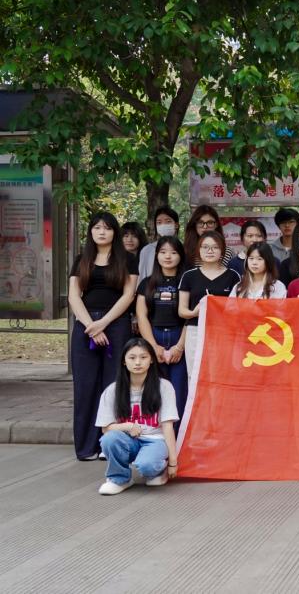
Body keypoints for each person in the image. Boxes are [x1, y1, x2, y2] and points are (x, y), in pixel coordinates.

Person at [69, 212, 139, 460]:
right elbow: (74, 296)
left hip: (116, 325)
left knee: (114, 385)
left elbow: (128, 295)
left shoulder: (127, 259)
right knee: (85, 386)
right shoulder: (82, 259)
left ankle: (109, 443)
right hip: (85, 326)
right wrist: (91, 326)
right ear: (90, 232)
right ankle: (86, 447)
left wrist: (104, 323)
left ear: (114, 232)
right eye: (97, 227)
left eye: (107, 228)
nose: (101, 232)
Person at [95, 338, 179, 495]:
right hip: (129, 440)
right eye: (132, 358)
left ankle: (158, 471)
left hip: (155, 441)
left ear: (152, 360)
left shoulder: (164, 387)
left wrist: (173, 463)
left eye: (143, 357)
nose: (138, 362)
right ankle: (119, 479)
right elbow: (105, 429)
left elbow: (168, 426)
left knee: (147, 466)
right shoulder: (112, 390)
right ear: (124, 361)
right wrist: (128, 426)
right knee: (109, 439)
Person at [135, 236, 188, 427]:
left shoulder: (187, 281)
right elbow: (141, 316)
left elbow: (190, 318)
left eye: (173, 252)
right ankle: (156, 435)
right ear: (156, 255)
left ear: (180, 256)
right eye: (163, 252)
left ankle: (177, 437)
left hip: (180, 336)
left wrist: (179, 347)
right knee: (154, 389)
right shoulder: (147, 283)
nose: (168, 256)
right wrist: (152, 346)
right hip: (154, 336)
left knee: (179, 391)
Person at [178, 231, 241, 381]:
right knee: (195, 375)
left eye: (215, 247)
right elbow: (182, 311)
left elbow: (238, 310)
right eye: (205, 247)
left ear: (222, 250)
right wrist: (195, 312)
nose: (210, 251)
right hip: (195, 330)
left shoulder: (233, 276)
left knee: (221, 375)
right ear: (199, 250)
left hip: (223, 331)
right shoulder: (189, 276)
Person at [137, 206, 180, 280]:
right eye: (159, 222)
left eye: (168, 221)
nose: (163, 225)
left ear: (176, 225)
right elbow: (142, 277)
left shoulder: (184, 249)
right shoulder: (147, 250)